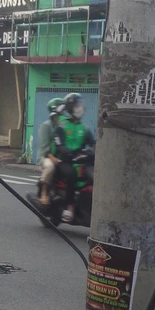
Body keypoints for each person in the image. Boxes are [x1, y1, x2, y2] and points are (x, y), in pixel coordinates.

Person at [53, 92, 94, 223]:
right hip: (66, 162)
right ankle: (69, 207)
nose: (80, 108)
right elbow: (60, 146)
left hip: (81, 161)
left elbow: (93, 144)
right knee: (71, 175)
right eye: (77, 106)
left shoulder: (85, 128)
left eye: (81, 105)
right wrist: (70, 153)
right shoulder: (62, 126)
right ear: (70, 108)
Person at [36, 97, 65, 207]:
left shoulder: (63, 125)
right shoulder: (46, 126)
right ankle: (44, 192)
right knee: (50, 167)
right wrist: (52, 158)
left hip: (60, 156)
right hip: (46, 157)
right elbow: (44, 148)